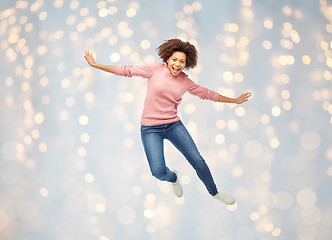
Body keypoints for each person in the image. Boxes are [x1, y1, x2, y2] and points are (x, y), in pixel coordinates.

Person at [84, 38, 251, 205]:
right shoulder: (155, 69)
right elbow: (126, 70)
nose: (177, 64)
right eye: (174, 60)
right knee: (157, 171)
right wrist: (96, 65)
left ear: (187, 64)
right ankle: (173, 178)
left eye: (182, 62)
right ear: (167, 58)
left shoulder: (185, 81)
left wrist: (234, 101)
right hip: (150, 129)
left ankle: (215, 193)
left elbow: (207, 94)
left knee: (198, 161)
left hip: (173, 125)